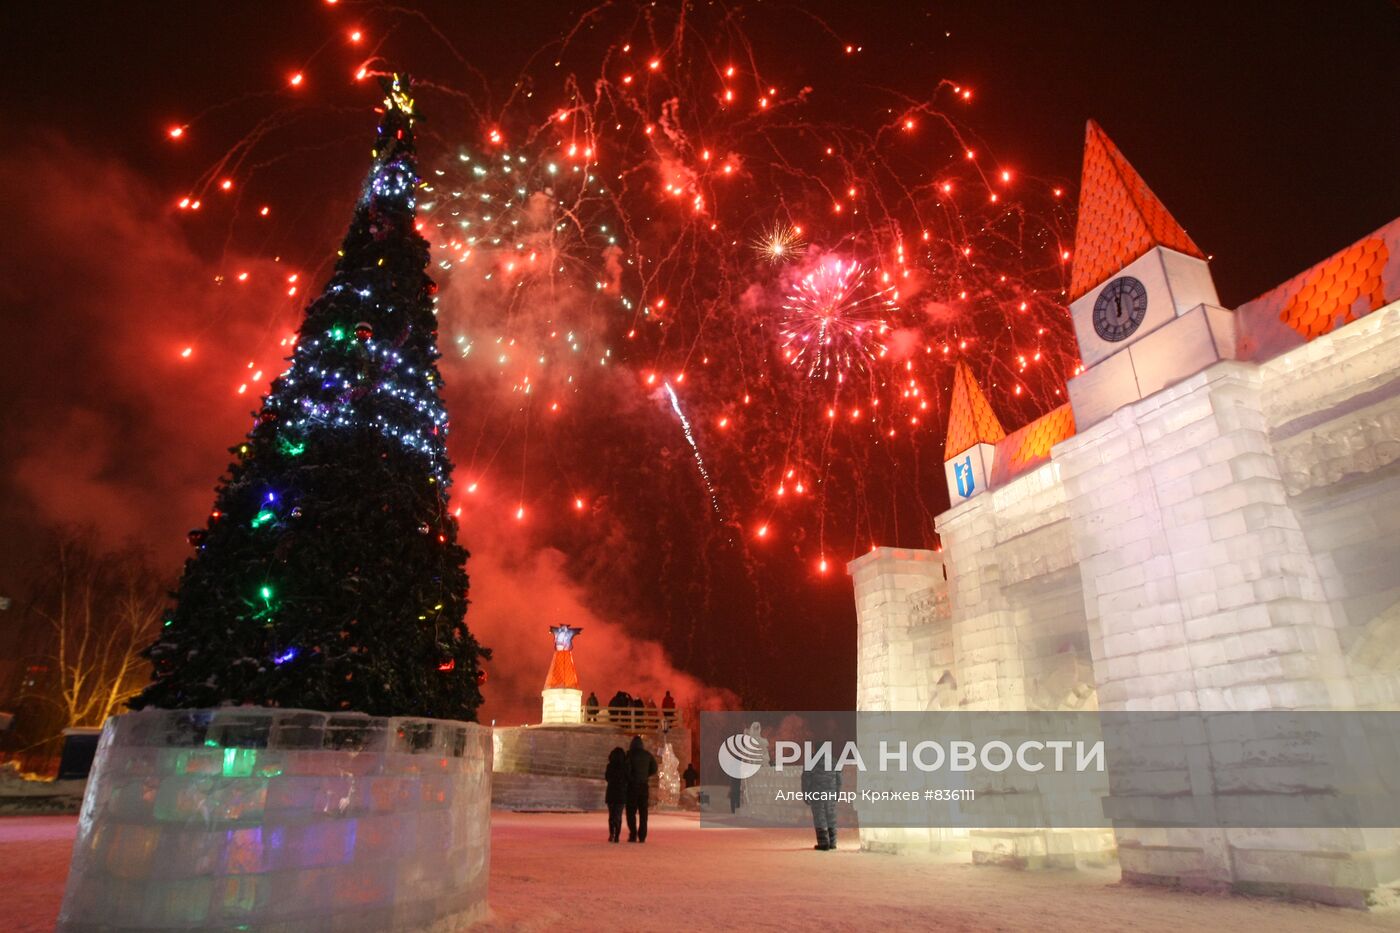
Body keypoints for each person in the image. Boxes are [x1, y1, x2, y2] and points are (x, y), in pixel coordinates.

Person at [800, 756, 842, 850]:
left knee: (820, 818)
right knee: (831, 818)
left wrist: (805, 794)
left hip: (817, 794)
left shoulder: (810, 762)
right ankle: (833, 842)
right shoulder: (834, 761)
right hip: (831, 794)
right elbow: (839, 779)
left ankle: (823, 843)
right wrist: (837, 793)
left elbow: (805, 779)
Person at [623, 734, 658, 842]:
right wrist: (646, 775)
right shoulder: (647, 755)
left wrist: (630, 778)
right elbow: (654, 768)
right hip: (643, 786)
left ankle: (633, 834)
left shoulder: (629, 755)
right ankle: (642, 835)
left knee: (631, 811)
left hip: (632, 787)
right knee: (643, 812)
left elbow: (626, 769)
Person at [604, 746, 627, 843]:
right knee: (618, 815)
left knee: (611, 815)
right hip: (621, 793)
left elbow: (607, 777)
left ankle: (611, 834)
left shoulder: (610, 766)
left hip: (611, 793)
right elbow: (628, 778)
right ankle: (617, 835)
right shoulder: (625, 766)